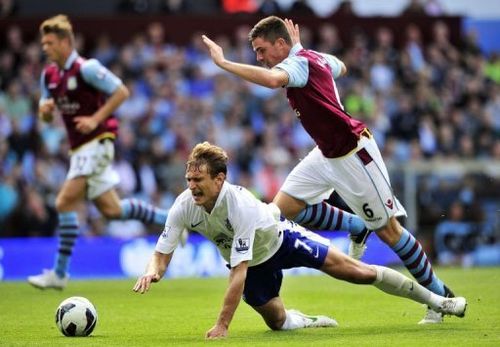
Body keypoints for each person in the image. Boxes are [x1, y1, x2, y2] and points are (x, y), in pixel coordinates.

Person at [201, 16, 457, 324]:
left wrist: (224, 63)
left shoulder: (298, 65)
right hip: (325, 153)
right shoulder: (310, 58)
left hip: (353, 153)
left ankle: (442, 296)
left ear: (281, 44)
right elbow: (341, 67)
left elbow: (272, 81)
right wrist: (303, 52)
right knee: (283, 209)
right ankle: (356, 225)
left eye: (261, 50)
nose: (260, 58)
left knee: (389, 231)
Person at [133, 142, 467, 339]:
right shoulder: (183, 205)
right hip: (257, 263)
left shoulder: (241, 205)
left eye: (199, 179)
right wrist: (154, 271)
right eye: (189, 179)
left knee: (358, 273)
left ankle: (440, 302)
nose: (191, 186)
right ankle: (307, 319)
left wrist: (223, 325)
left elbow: (238, 272)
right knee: (277, 323)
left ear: (219, 179)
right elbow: (162, 250)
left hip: (282, 239)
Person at [28, 14, 170, 290]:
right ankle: (169, 219)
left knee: (63, 201)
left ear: (66, 42)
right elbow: (46, 115)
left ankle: (59, 273)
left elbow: (121, 92)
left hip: (98, 141)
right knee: (112, 210)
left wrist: (95, 118)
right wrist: (44, 112)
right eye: (43, 43)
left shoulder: (87, 68)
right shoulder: (49, 75)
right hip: (79, 148)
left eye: (50, 42)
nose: (45, 48)